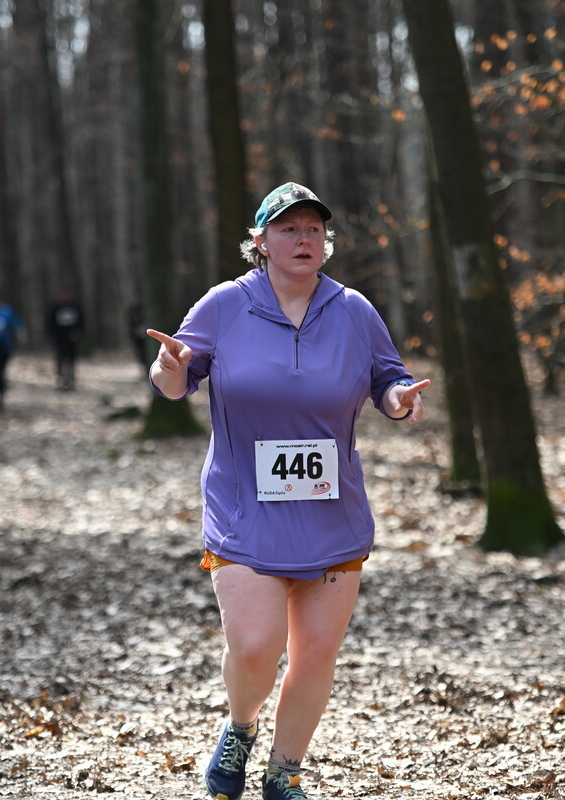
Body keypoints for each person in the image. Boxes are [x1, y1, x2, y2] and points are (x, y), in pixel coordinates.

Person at [147, 182, 430, 800]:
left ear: (325, 242)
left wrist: (399, 401)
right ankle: (240, 726)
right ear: (261, 241)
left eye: (313, 229)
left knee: (316, 653)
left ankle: (284, 772)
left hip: (331, 513)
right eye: (288, 229)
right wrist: (169, 368)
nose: (303, 239)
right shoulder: (226, 304)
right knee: (255, 647)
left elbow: (389, 380)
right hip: (244, 508)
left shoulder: (354, 310)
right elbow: (175, 379)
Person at [46, 289, 83, 390]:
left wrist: (78, 333)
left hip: (72, 338)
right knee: (60, 358)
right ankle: (60, 378)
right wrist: (50, 335)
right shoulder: (55, 308)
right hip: (59, 337)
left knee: (72, 359)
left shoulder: (75, 307)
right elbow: (50, 322)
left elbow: (81, 321)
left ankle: (71, 379)